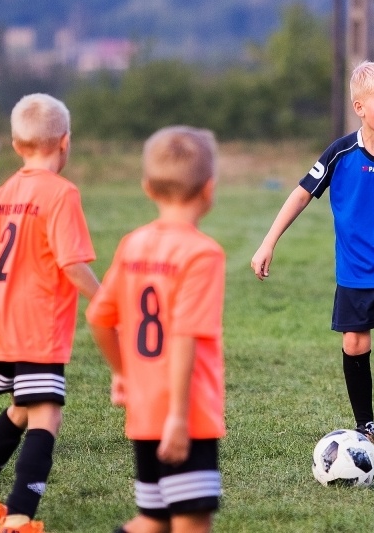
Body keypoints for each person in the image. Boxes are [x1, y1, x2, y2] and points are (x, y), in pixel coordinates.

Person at [251, 61, 374, 450]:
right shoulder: (340, 153)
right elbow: (301, 194)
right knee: (356, 343)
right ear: (359, 107)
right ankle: (365, 426)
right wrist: (269, 241)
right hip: (355, 269)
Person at [0, 93, 99, 533]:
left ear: (17, 145)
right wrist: (107, 299)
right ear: (65, 142)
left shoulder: (5, 195)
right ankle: (19, 517)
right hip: (39, 325)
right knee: (46, 416)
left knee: (22, 408)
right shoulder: (61, 193)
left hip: (4, 322)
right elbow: (72, 264)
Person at [86, 126, 225, 533]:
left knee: (154, 520)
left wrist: (122, 372)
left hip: (145, 412)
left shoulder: (133, 244)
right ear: (209, 189)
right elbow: (183, 335)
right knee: (189, 523)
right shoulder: (202, 253)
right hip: (186, 416)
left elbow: (98, 316)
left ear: (147, 187)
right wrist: (179, 419)